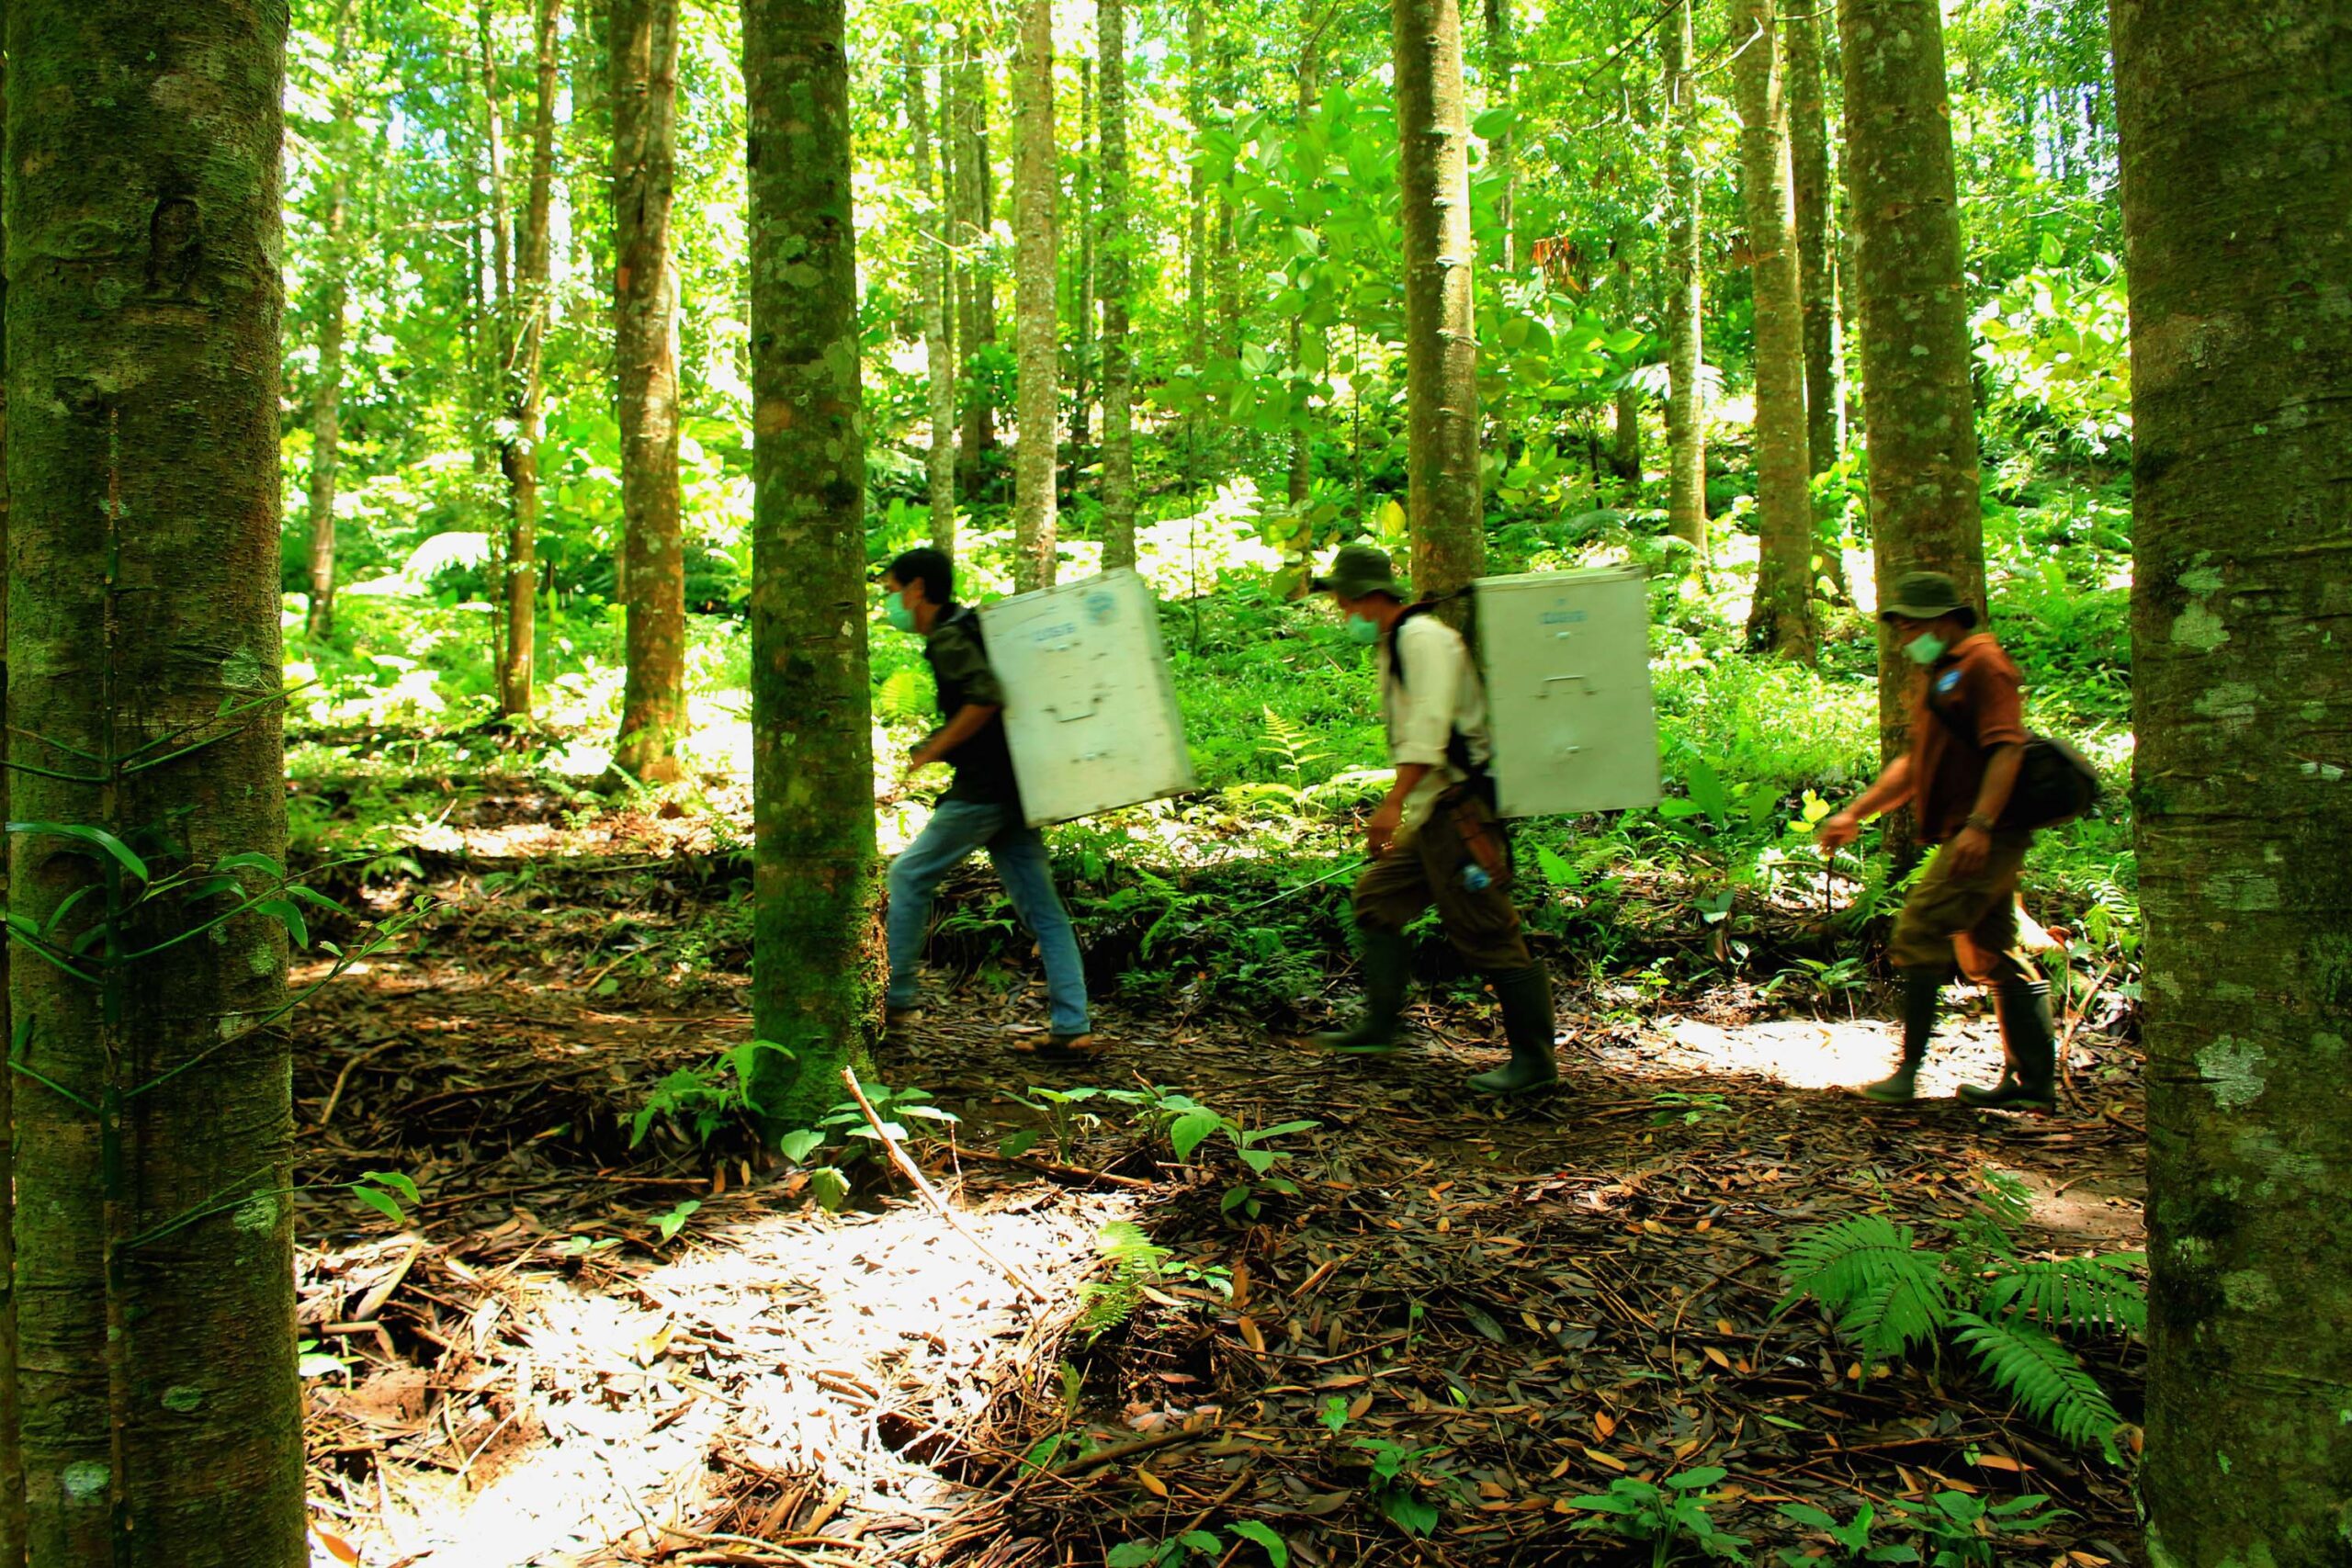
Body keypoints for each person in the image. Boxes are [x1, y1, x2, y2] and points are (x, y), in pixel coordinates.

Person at [1307, 543, 1558, 1096]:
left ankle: (1535, 1063)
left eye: (1346, 603)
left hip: (1459, 813)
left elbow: (1430, 725)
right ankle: (1379, 1027)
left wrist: (1393, 802)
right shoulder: (1397, 642)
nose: (1344, 614)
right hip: (1435, 813)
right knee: (1377, 900)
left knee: (1488, 928)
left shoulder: (1423, 640)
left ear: (1369, 598)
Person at [1815, 570, 2056, 1108]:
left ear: (1943, 621)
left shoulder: (1982, 665)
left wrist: (1980, 825)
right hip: (1973, 834)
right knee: (1992, 950)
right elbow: (1913, 766)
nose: (1903, 638)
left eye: (1909, 626)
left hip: (1986, 835)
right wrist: (1855, 813)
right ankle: (2033, 1084)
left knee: (1920, 929)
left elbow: (2008, 748)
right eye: (1899, 628)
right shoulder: (1946, 673)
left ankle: (1908, 1074)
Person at [876, 547, 1098, 1059]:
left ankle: (895, 1001)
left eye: (891, 592)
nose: (889, 603)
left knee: (908, 875)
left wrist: (935, 748)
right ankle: (1072, 1025)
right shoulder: (965, 626)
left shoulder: (950, 638)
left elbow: (986, 698)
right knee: (1043, 910)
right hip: (1015, 788)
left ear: (916, 590)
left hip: (984, 791)